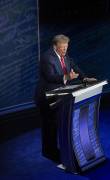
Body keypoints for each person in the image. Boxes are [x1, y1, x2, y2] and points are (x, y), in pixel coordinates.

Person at [35, 34, 96, 162]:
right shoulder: (47, 58)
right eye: (62, 48)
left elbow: (75, 67)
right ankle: (49, 152)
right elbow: (50, 77)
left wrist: (84, 78)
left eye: (66, 47)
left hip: (59, 95)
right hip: (46, 97)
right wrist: (67, 77)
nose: (64, 50)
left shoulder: (65, 55)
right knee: (49, 126)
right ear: (55, 46)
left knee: (56, 123)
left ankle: (55, 150)